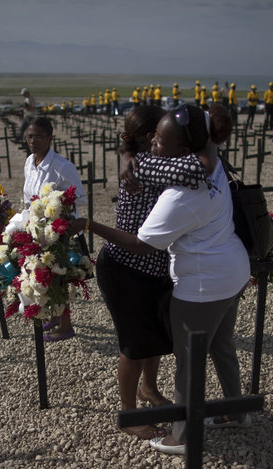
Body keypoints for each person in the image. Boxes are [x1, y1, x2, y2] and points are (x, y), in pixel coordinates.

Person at [70, 104, 251, 455]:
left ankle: (181, 437)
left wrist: (91, 225)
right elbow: (147, 146)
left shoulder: (181, 192)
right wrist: (127, 152)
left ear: (184, 150)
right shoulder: (209, 159)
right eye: (151, 138)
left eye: (160, 140)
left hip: (202, 282)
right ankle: (235, 412)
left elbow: (141, 243)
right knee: (215, 345)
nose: (153, 143)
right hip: (230, 271)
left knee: (187, 361)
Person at [94, 105, 175, 439]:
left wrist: (126, 150)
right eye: (163, 133)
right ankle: (128, 415)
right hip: (126, 268)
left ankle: (149, 389)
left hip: (152, 267)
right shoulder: (146, 167)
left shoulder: (139, 158)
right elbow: (191, 171)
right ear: (148, 137)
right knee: (135, 343)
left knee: (154, 338)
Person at [21, 116, 87, 341]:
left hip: (59, 231)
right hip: (37, 229)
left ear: (49, 138)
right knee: (41, 274)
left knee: (60, 276)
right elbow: (27, 198)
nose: (33, 141)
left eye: (39, 136)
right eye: (30, 136)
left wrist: (55, 210)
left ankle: (66, 325)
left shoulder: (62, 166)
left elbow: (78, 197)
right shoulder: (30, 162)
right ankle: (53, 314)